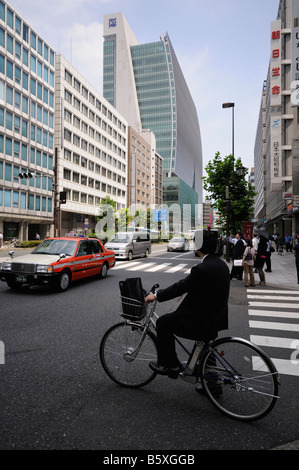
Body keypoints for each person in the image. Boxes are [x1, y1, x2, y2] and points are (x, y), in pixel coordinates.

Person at [145, 230, 230, 378]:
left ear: (198, 247)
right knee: (204, 346)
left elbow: (181, 287)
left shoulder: (202, 269)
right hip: (216, 316)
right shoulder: (220, 264)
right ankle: (212, 384)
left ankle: (170, 366)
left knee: (163, 323)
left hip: (202, 318)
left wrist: (156, 295)